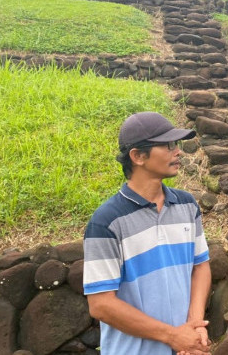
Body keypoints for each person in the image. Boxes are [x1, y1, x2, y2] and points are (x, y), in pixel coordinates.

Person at [83, 112, 212, 355]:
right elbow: (101, 305)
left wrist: (194, 325)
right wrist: (173, 336)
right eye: (167, 145)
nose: (178, 152)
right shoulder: (107, 222)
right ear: (138, 156)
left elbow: (200, 266)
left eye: (176, 145)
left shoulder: (187, 205)